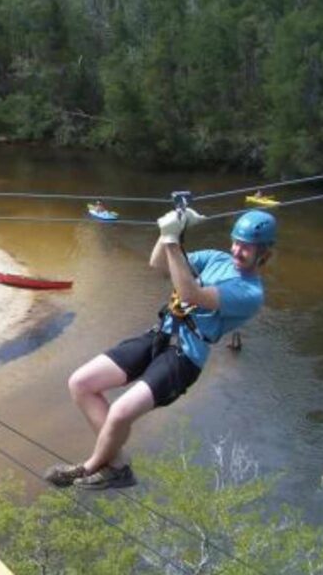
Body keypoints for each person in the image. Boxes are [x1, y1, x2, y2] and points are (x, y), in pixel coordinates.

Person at [45, 209, 276, 489]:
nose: (238, 250)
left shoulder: (250, 294)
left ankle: (89, 466)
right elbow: (159, 265)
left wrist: (172, 240)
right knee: (80, 383)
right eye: (237, 242)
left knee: (120, 412)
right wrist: (168, 231)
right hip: (160, 336)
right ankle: (117, 465)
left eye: (247, 247)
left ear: (264, 253)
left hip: (185, 357)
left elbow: (191, 294)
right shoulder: (217, 259)